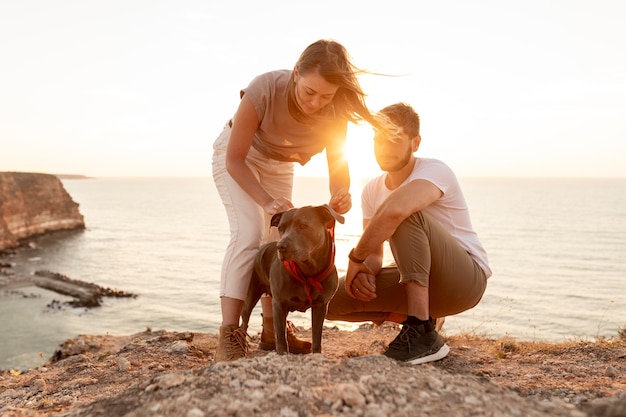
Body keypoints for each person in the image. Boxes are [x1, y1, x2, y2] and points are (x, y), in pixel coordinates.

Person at [212, 39, 376, 362]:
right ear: (296, 73)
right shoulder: (265, 89)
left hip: (279, 164)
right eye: (309, 92)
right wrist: (266, 200)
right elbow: (234, 160)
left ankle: (273, 330)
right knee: (249, 233)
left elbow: (338, 166)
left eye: (326, 96)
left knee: (280, 240)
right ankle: (230, 334)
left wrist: (340, 195)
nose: (316, 103)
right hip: (239, 157)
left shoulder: (334, 113)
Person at [326, 102, 492, 365]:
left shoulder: (435, 170)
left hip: (465, 279)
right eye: (379, 139)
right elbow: (375, 256)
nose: (384, 147)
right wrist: (365, 272)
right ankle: (424, 320)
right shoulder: (372, 190)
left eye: (394, 139)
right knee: (328, 298)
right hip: (419, 281)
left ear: (415, 142)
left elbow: (397, 212)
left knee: (402, 210)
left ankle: (421, 333)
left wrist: (355, 258)